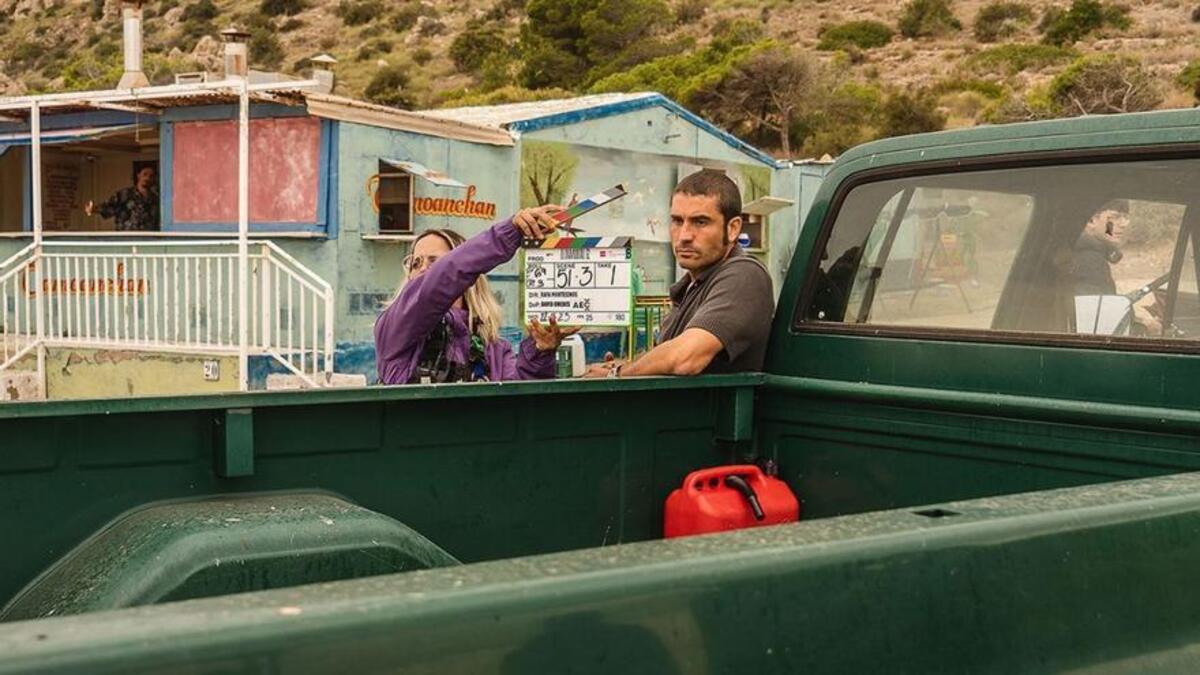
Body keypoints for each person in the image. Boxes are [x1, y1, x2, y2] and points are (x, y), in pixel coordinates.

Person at [584, 170, 774, 378]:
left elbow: (685, 359)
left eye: (700, 222)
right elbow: (666, 358)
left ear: (733, 228)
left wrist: (617, 374)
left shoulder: (744, 275)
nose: (684, 236)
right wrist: (618, 367)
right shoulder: (691, 286)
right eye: (677, 221)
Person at [375, 206, 578, 385]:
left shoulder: (494, 350)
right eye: (415, 263)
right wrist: (509, 233)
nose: (422, 269)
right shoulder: (394, 330)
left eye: (434, 261)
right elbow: (435, 285)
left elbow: (519, 402)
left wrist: (540, 352)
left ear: (469, 277)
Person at [1067, 199, 1162, 334]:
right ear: (1091, 221)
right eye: (1115, 217)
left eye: (1125, 217)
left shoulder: (1086, 255)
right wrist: (1146, 329)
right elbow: (1099, 324)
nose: (1124, 224)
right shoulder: (1090, 260)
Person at [85, 165, 160, 231]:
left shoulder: (155, 198)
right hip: (127, 237)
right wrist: (94, 209)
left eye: (151, 176)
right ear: (138, 175)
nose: (147, 178)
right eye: (145, 174)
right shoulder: (125, 194)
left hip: (148, 238)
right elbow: (110, 206)